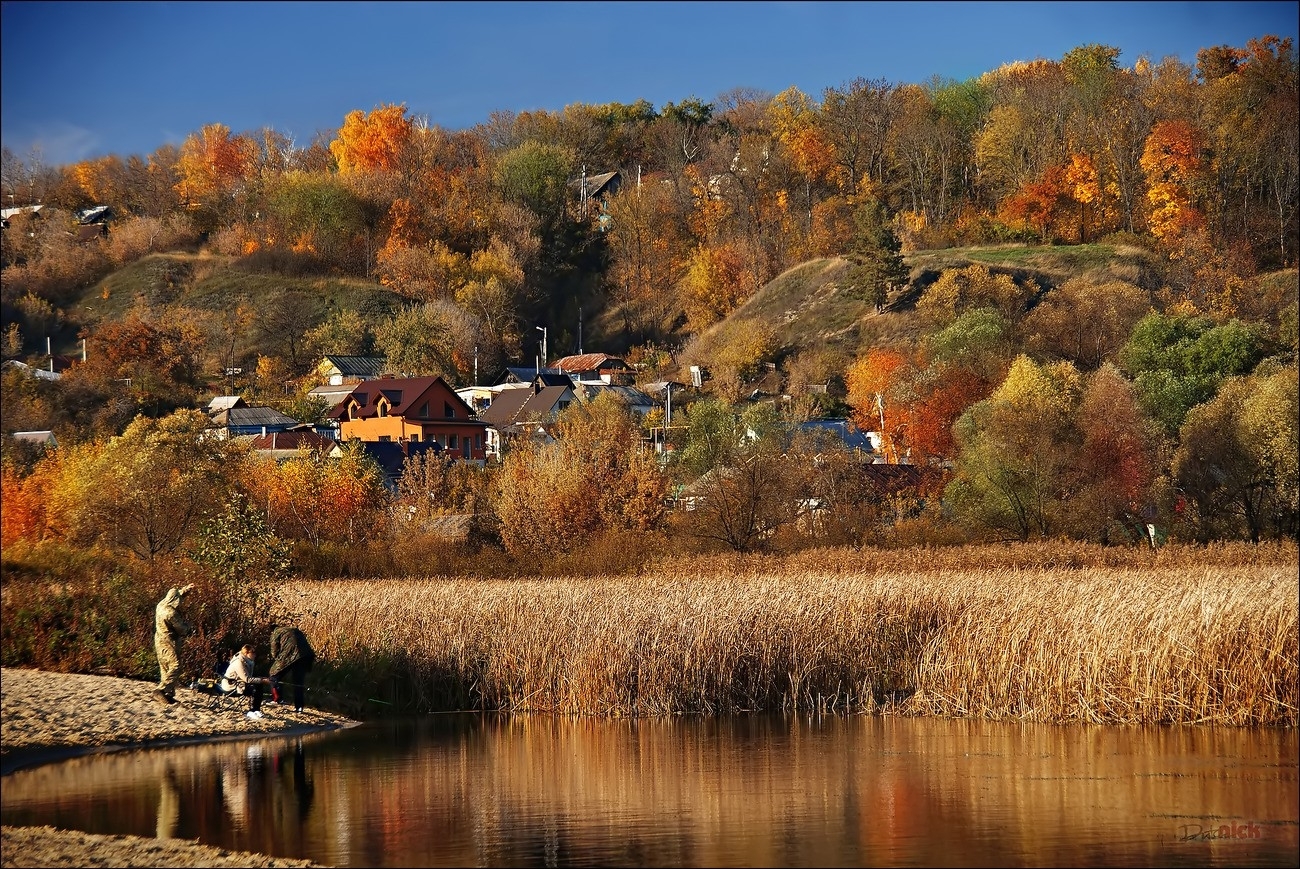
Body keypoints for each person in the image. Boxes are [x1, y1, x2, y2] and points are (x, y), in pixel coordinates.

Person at [153, 584, 194, 705]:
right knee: (175, 666)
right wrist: (190, 626)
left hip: (159, 639)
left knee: (165, 666)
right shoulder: (171, 613)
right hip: (168, 641)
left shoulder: (161, 604)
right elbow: (183, 630)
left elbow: (175, 595)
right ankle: (162, 689)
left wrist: (185, 590)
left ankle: (168, 694)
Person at [268, 623, 316, 713]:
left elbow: (274, 650)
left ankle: (277, 699)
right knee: (298, 682)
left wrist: (277, 659)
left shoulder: (276, 632)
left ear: (272, 630)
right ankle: (299, 707)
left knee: (273, 674)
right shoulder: (294, 629)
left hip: (291, 655)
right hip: (306, 656)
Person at [223, 643, 269, 719]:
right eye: (253, 652)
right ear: (246, 653)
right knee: (254, 688)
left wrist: (262, 679)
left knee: (259, 685)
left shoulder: (249, 662)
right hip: (231, 685)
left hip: (240, 684)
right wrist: (262, 680)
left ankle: (256, 710)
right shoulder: (239, 662)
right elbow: (246, 679)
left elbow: (248, 678)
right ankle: (251, 711)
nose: (255, 655)